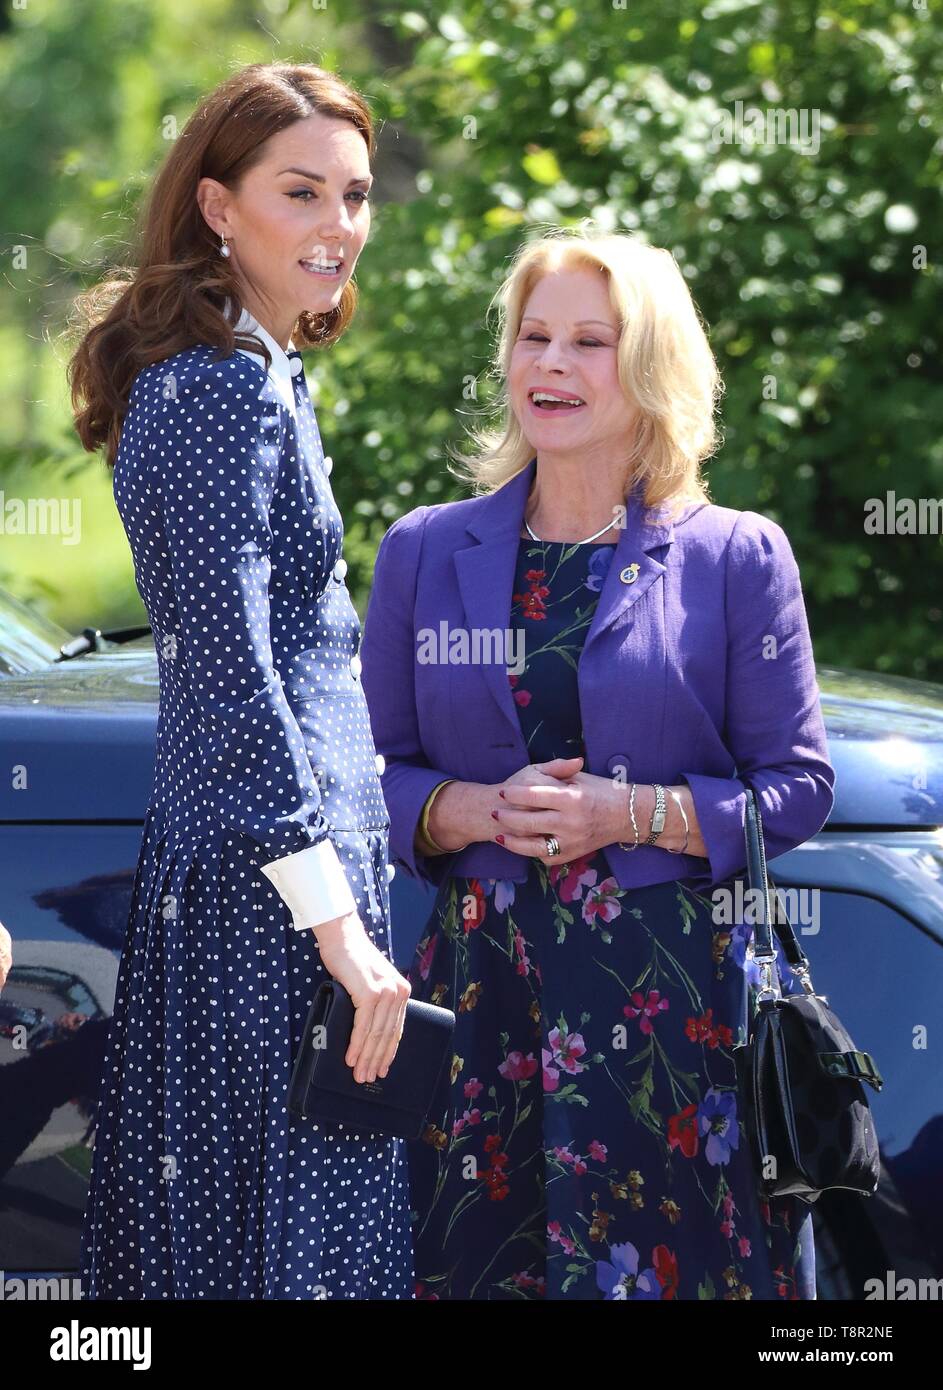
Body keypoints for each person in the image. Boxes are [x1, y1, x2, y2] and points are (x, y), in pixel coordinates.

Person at [360, 227, 836, 1301]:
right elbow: (366, 775)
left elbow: (797, 786)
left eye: (588, 341)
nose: (550, 366)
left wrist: (631, 814)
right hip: (478, 1005)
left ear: (649, 368)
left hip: (669, 1015)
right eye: (533, 338)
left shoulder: (734, 556)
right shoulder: (423, 550)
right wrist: (472, 809)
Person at [67, 62, 413, 1300]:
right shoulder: (217, 390)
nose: (339, 227)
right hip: (266, 902)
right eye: (302, 193)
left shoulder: (255, 374)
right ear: (219, 207)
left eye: (357, 196)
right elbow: (230, 680)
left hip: (271, 881)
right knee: (276, 1262)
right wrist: (340, 931)